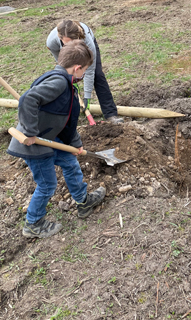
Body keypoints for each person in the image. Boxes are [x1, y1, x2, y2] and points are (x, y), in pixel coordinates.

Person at [7, 40, 106, 239]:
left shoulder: (66, 83)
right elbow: (28, 99)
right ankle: (33, 223)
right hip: (34, 144)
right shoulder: (59, 82)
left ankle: (83, 202)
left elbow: (65, 119)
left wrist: (75, 144)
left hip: (51, 137)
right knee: (47, 185)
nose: (83, 75)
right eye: (84, 70)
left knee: (70, 162)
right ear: (77, 68)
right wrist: (31, 131)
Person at [46, 19, 123, 124]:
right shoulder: (52, 42)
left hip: (85, 48)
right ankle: (67, 114)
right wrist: (71, 77)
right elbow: (61, 64)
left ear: (78, 37)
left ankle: (110, 114)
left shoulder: (86, 39)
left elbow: (90, 70)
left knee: (98, 75)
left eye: (73, 41)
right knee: (63, 79)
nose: (71, 45)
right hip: (65, 53)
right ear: (60, 38)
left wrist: (87, 96)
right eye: (67, 43)